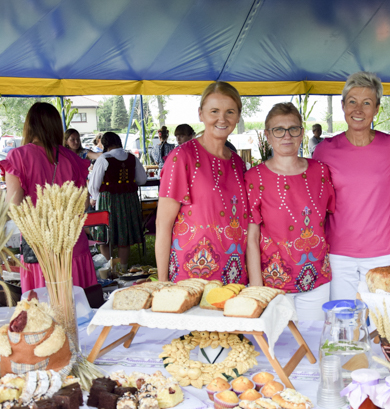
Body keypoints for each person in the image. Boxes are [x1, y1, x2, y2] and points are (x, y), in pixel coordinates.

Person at [312, 71, 390, 300]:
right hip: (338, 253)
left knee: (381, 324)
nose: (358, 110)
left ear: (376, 109)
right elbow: (317, 200)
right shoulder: (324, 150)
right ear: (343, 105)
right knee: (344, 322)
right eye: (352, 102)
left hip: (382, 252)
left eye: (367, 103)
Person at [245, 103, 335, 320]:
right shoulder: (254, 178)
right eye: (278, 130)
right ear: (268, 135)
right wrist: (257, 288)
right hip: (272, 282)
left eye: (293, 129)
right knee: (277, 348)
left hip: (315, 278)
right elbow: (252, 237)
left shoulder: (321, 171)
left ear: (302, 133)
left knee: (313, 343)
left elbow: (330, 221)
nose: (287, 135)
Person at [155, 82, 249, 284]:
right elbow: (163, 224)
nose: (222, 119)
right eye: (214, 111)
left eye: (230, 112)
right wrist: (162, 283)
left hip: (235, 277)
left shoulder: (238, 163)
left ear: (238, 116)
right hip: (192, 278)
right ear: (201, 114)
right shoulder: (182, 157)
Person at [2, 102, 97, 292]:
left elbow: (14, 206)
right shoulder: (72, 158)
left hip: (39, 249)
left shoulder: (18, 156)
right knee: (79, 312)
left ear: (29, 126)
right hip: (72, 245)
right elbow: (84, 203)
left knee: (46, 316)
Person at [88, 132, 148, 271]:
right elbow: (142, 180)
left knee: (105, 236)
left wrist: (95, 198)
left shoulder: (104, 158)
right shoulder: (132, 158)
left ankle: (111, 269)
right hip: (128, 200)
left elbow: (93, 186)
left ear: (105, 144)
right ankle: (123, 268)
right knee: (124, 235)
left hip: (108, 200)